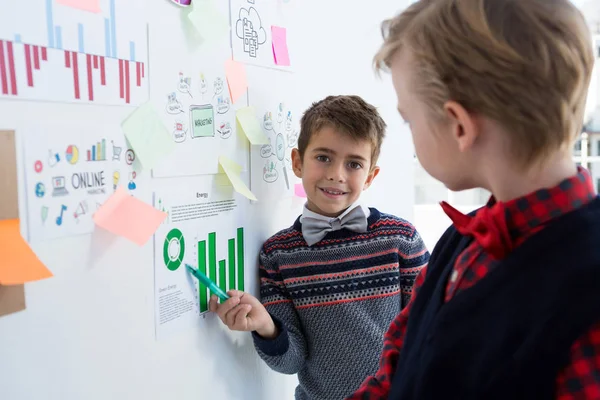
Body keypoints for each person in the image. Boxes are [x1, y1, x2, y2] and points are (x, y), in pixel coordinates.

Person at [348, 0, 600, 399]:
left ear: (459, 126)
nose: (409, 133)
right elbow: (398, 365)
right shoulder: (460, 242)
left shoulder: (587, 290)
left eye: (409, 119)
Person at [209, 95, 429, 400]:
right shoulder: (278, 255)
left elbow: (430, 327)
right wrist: (264, 325)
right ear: (298, 162)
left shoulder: (400, 238)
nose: (336, 174)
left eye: (353, 164)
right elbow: (291, 361)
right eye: (323, 157)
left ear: (370, 176)